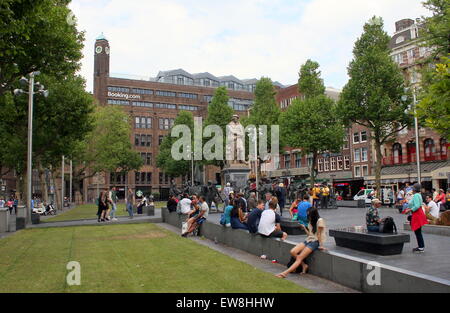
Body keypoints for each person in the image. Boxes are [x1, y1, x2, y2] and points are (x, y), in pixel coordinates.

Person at [276, 208, 326, 278]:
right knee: (293, 251)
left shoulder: (320, 221)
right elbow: (310, 235)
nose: (307, 215)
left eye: (309, 214)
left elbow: (319, 235)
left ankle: (284, 273)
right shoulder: (311, 220)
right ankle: (304, 265)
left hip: (315, 242)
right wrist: (304, 228)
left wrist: (321, 245)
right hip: (308, 240)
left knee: (299, 258)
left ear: (313, 214)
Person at [403, 183, 428, 253]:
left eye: (412, 188)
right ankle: (421, 246)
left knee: (417, 231)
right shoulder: (417, 195)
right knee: (418, 232)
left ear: (414, 189)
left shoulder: (416, 195)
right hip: (417, 214)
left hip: (417, 214)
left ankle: (421, 247)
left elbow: (417, 206)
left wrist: (410, 210)